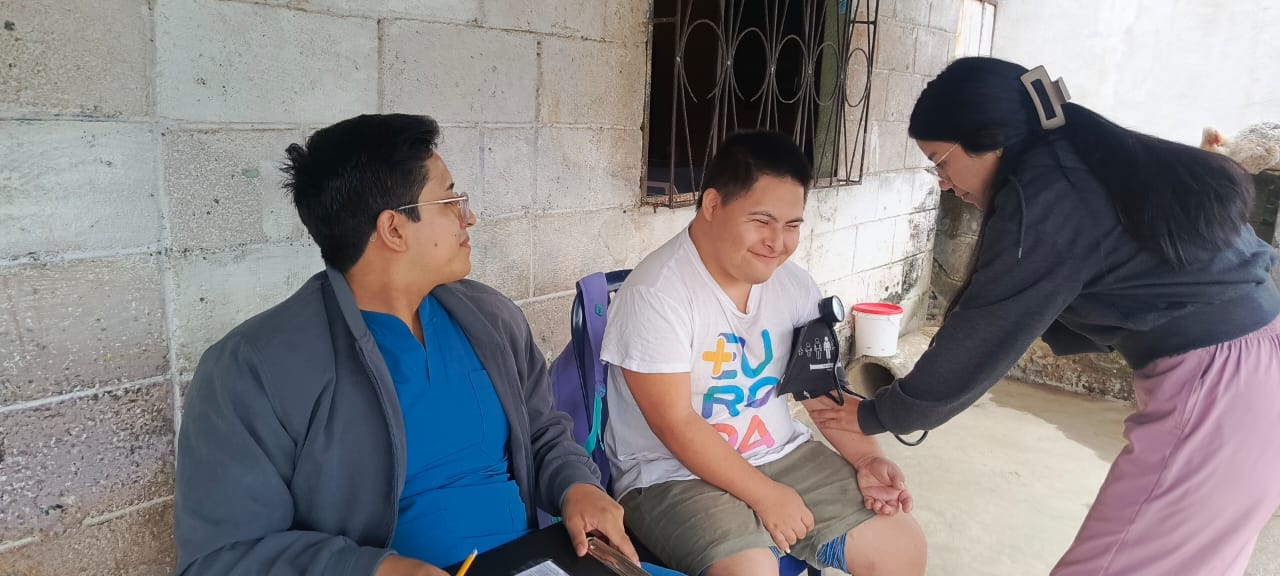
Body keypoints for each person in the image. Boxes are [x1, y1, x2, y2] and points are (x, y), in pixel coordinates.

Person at [805, 57, 1280, 576]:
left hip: (1225, 392)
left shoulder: (1050, 193)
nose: (942, 182)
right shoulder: (1086, 160)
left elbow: (985, 330)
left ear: (988, 140)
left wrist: (877, 414)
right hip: (1253, 364)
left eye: (940, 161)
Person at [173, 113, 681, 576]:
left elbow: (543, 432)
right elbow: (220, 558)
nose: (468, 217)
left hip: (540, 561)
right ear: (393, 229)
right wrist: (378, 570)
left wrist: (578, 485)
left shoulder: (491, 319)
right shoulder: (252, 369)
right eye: (450, 201)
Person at [600, 131, 927, 576]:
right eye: (762, 221)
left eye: (792, 225)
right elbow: (675, 424)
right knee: (750, 571)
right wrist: (765, 495)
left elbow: (819, 395)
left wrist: (867, 460)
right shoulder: (656, 295)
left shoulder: (795, 287)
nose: (778, 242)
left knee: (901, 546)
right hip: (671, 474)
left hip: (782, 454)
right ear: (712, 205)